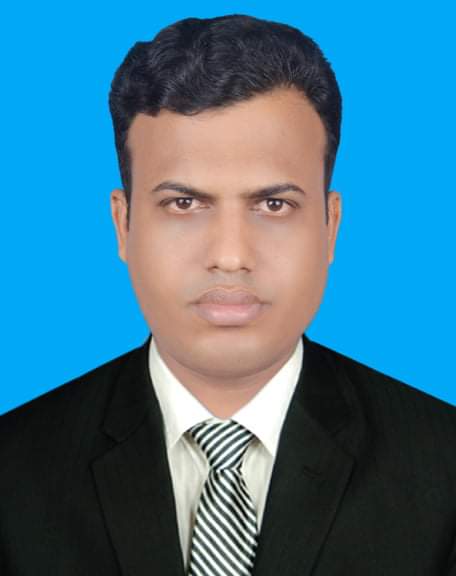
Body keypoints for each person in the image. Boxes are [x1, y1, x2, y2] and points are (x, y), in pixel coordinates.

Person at [0, 13, 455, 576]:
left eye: (274, 204)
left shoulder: (444, 471)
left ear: (331, 226)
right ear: (123, 224)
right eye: (184, 204)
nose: (231, 255)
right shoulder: (13, 472)